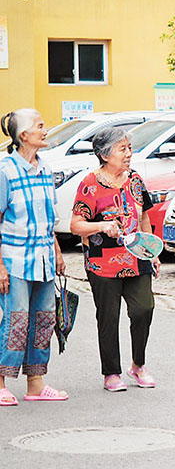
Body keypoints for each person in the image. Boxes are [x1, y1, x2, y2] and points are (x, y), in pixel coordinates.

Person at [70, 126, 160, 392]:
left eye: (129, 148)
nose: (129, 153)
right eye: (122, 149)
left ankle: (138, 365)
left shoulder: (135, 179)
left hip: (137, 256)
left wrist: (152, 250)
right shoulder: (90, 184)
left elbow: (144, 215)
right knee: (108, 317)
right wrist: (101, 226)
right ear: (105, 154)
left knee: (144, 308)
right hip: (102, 262)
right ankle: (111, 372)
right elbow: (76, 225)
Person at [0, 109, 68, 406]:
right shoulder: (5, 171)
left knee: (44, 320)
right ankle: (1, 381)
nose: (45, 130)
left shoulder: (45, 168)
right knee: (16, 320)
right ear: (24, 135)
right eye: (40, 126)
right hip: (14, 260)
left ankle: (36, 384)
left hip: (44, 260)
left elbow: (48, 218)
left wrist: (58, 252)